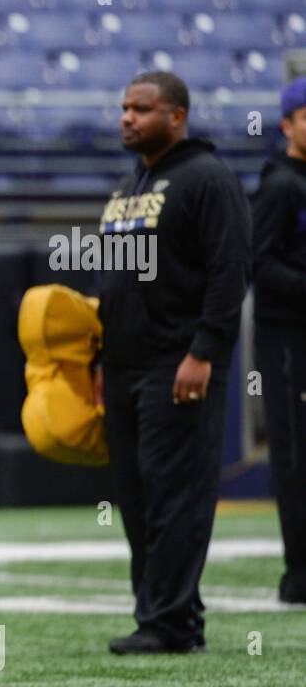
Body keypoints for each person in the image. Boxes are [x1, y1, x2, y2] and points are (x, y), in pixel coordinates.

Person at [92, 71, 252, 653]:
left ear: (176, 115)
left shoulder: (208, 180)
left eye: (141, 108)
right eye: (124, 107)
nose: (127, 117)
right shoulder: (126, 188)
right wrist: (99, 359)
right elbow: (113, 282)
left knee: (174, 493)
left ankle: (172, 622)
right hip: (126, 365)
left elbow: (230, 272)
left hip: (178, 362)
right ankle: (159, 612)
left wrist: (204, 351)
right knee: (136, 496)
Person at [250, 77, 306, 605]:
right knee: (293, 454)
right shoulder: (280, 185)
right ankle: (299, 573)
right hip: (288, 340)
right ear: (287, 124)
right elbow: (259, 264)